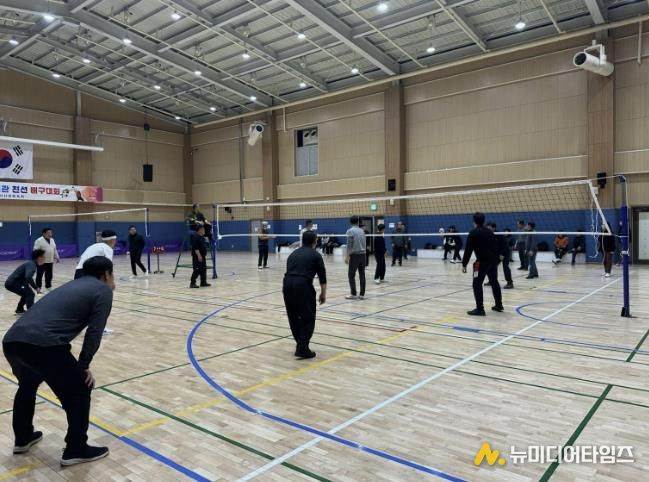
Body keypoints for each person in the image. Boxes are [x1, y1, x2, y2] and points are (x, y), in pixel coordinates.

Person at [3, 256, 114, 466]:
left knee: (27, 386)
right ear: (106, 275)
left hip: (12, 341)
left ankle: (23, 438)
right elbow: (95, 331)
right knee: (81, 388)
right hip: (43, 344)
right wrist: (83, 366)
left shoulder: (72, 285)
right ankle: (76, 448)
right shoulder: (102, 290)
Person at [282, 230, 327, 359]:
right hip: (302, 285)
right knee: (308, 317)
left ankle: (300, 344)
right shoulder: (316, 255)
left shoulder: (293, 254)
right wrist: (323, 294)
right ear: (315, 241)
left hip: (287, 284)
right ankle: (302, 347)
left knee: (293, 316)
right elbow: (322, 277)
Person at [461, 213, 503, 316]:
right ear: (483, 221)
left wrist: (464, 264)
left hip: (480, 262)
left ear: (474, 221)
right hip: (492, 262)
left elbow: (468, 250)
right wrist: (496, 261)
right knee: (494, 282)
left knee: (476, 284)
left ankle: (480, 309)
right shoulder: (490, 232)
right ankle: (499, 305)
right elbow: (496, 247)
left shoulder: (473, 233)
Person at [5, 250, 46, 315]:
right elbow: (28, 277)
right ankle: (31, 314)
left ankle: (20, 310)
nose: (45, 259)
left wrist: (28, 286)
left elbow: (25, 277)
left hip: (14, 282)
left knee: (27, 292)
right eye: (44, 257)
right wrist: (36, 288)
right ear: (39, 258)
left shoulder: (31, 263)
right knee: (30, 294)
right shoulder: (32, 265)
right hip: (13, 283)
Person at [485, 222, 513, 289]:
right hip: (497, 254)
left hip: (505, 253)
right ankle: (492, 281)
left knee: (505, 267)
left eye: (489, 228)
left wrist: (502, 254)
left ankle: (510, 283)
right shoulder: (488, 234)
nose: (488, 229)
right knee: (490, 267)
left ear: (494, 228)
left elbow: (506, 245)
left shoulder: (499, 235)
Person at [345, 215, 367, 300]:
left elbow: (349, 245)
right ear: (358, 222)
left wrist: (347, 256)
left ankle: (353, 294)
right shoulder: (362, 231)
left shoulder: (350, 231)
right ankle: (362, 295)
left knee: (351, 275)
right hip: (363, 255)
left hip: (355, 255)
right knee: (362, 274)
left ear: (350, 222)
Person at [33, 228, 60, 294]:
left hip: (50, 261)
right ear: (44, 233)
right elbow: (35, 250)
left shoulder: (52, 240)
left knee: (49, 275)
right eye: (48, 233)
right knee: (39, 275)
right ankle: (38, 288)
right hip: (41, 262)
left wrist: (57, 256)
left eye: (51, 233)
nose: (50, 234)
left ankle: (48, 287)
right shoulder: (39, 240)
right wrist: (38, 259)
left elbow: (54, 249)